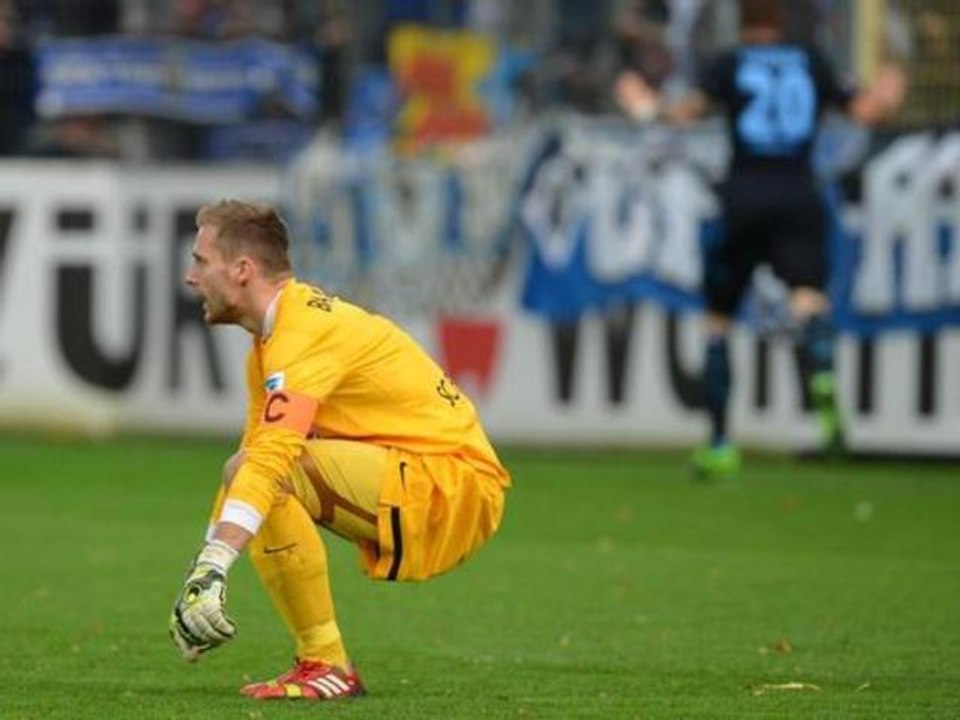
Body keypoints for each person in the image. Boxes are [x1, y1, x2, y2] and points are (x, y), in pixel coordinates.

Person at [170, 200, 510, 700]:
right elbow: (247, 471)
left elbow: (268, 463)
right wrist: (197, 585)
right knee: (252, 470)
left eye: (200, 261)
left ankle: (326, 665)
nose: (189, 276)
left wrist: (215, 566)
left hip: (452, 484)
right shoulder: (272, 345)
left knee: (273, 470)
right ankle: (321, 662)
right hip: (421, 474)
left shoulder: (302, 332)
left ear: (242, 270)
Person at [615, 0, 906, 479]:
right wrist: (890, 89)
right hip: (800, 195)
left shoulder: (729, 63)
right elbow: (868, 111)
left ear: (741, 20)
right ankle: (822, 368)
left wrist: (644, 104)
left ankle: (720, 443)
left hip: (744, 197)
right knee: (808, 298)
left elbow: (682, 114)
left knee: (718, 321)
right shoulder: (813, 61)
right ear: (783, 20)